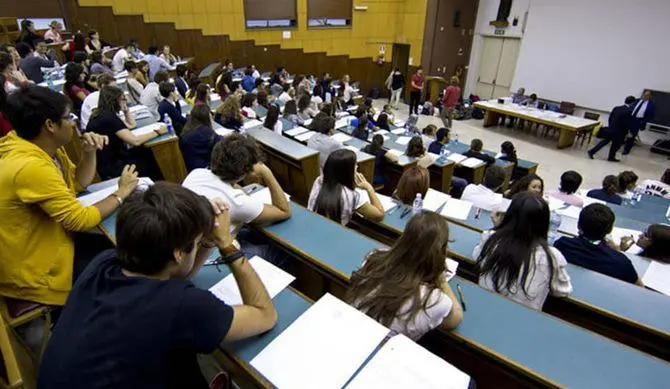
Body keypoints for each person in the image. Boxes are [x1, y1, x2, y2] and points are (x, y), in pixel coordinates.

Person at [37, 183, 278, 388]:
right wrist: (226, 244)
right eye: (195, 243)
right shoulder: (181, 305)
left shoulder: (104, 262)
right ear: (177, 254)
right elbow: (265, 315)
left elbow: (179, 273)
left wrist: (203, 236)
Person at [0, 86, 137, 306]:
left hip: (54, 241)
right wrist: (121, 193)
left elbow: (76, 184)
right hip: (37, 270)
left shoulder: (44, 146)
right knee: (124, 267)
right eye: (68, 117)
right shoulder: (29, 165)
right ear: (50, 125)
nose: (74, 122)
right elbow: (78, 220)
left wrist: (89, 152)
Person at [348, 211, 463, 340]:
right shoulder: (434, 300)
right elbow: (455, 318)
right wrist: (441, 279)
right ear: (442, 252)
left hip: (351, 331)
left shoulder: (374, 259)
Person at [182, 134, 292, 261]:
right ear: (245, 172)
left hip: (193, 245)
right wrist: (266, 172)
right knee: (280, 252)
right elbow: (284, 211)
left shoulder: (196, 173)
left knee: (251, 233)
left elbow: (233, 189)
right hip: (215, 254)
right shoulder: (237, 202)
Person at [474, 192, 573, 310]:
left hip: (482, 306)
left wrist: (498, 228)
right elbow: (562, 290)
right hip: (522, 319)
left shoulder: (490, 237)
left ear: (509, 215)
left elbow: (476, 257)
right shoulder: (551, 256)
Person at [87, 86, 167, 179]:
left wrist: (126, 110)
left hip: (109, 161)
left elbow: (131, 125)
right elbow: (135, 141)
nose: (125, 101)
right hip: (113, 166)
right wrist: (158, 132)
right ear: (115, 100)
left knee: (144, 151)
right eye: (123, 99)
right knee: (148, 157)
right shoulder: (108, 118)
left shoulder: (102, 114)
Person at [555, 204, 642, 285]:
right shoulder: (621, 262)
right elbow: (640, 289)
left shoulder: (562, 244)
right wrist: (618, 252)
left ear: (578, 225)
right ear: (609, 230)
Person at [308, 149, 384, 225]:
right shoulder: (352, 195)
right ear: (348, 171)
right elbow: (379, 215)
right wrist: (369, 188)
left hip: (312, 224)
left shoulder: (319, 180)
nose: (356, 167)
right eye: (355, 165)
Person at [588, 96, 635, 162]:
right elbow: (626, 123)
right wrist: (627, 132)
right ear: (632, 103)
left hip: (611, 128)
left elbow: (610, 118)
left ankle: (591, 151)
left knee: (605, 141)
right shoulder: (629, 111)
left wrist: (611, 126)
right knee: (615, 145)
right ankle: (611, 157)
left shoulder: (616, 108)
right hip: (619, 131)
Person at [179, 104, 222, 172]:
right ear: (206, 117)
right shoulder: (204, 132)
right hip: (205, 168)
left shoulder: (188, 128)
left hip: (192, 167)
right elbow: (221, 143)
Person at [624, 90, 655, 155]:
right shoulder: (636, 100)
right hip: (629, 118)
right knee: (622, 132)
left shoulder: (651, 105)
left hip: (637, 120)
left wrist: (643, 122)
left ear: (650, 96)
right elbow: (628, 107)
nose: (644, 96)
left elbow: (650, 115)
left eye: (647, 95)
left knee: (631, 136)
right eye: (644, 94)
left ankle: (626, 150)